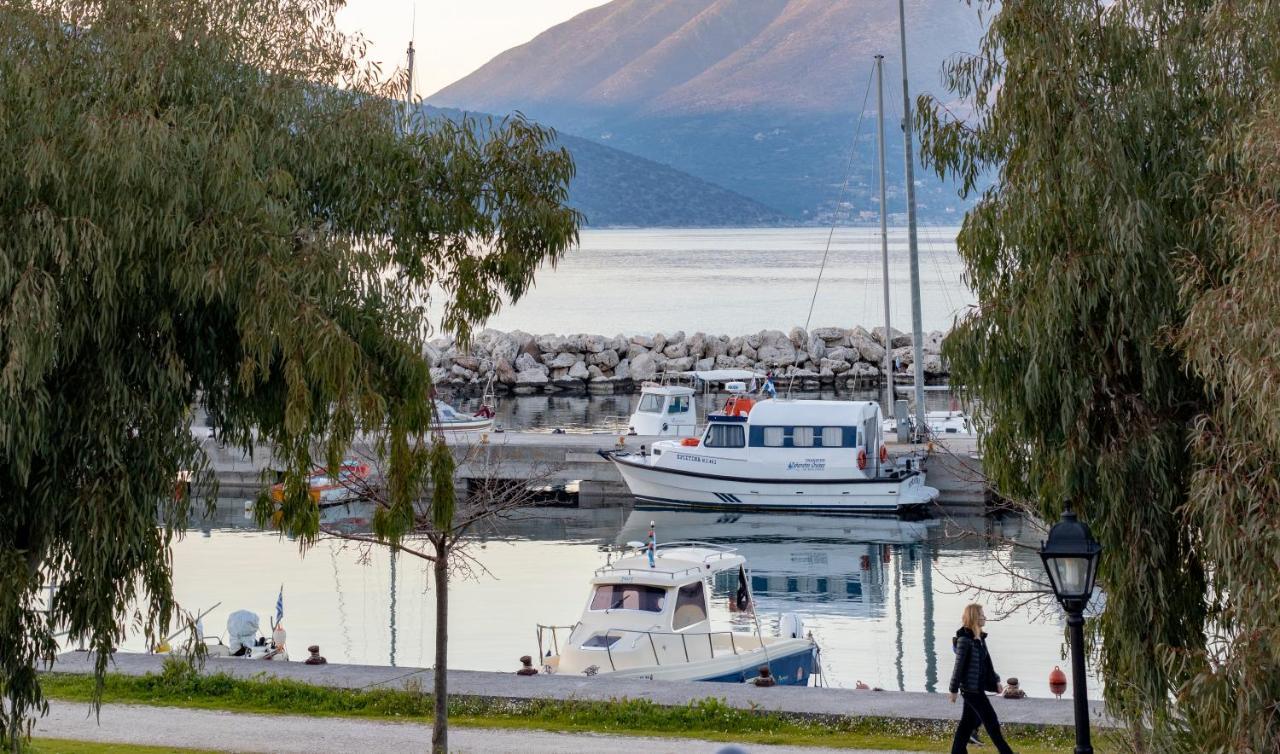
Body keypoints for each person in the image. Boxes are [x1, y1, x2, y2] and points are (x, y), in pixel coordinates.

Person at [948, 603, 1016, 754]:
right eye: (982, 614)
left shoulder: (979, 638)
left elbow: (987, 662)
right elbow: (958, 667)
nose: (985, 617)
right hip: (970, 690)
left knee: (967, 723)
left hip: (977, 688)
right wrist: (953, 690)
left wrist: (996, 680)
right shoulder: (964, 640)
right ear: (974, 617)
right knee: (991, 721)